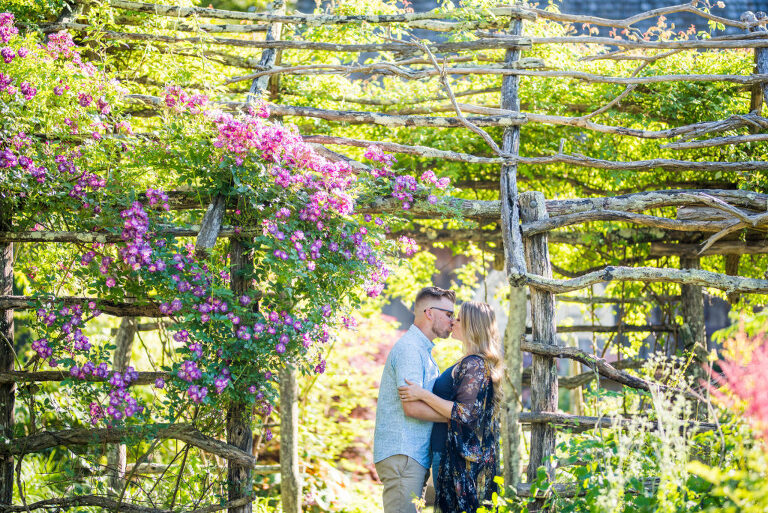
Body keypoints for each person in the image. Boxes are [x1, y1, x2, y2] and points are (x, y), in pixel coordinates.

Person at [398, 301, 502, 513]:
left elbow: (466, 413)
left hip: (456, 458)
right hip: (449, 453)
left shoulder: (474, 363)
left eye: (459, 319)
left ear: (472, 326)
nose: (453, 322)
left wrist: (422, 394)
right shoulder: (471, 362)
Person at [373, 286, 456, 513]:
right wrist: (455, 417)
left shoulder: (422, 351)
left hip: (412, 456)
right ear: (429, 313)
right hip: (403, 454)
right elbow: (412, 408)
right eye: (448, 314)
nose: (452, 321)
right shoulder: (410, 349)